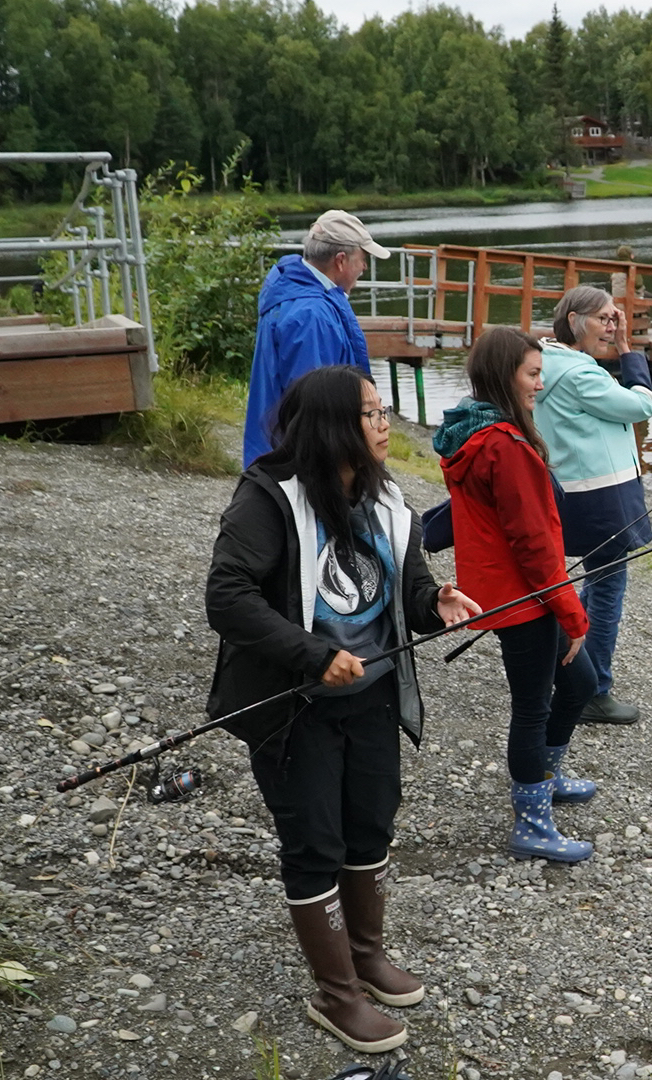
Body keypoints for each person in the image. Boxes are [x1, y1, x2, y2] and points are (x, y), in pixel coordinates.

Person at [205, 365, 481, 1053]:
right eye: (368, 412)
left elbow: (409, 591)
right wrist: (309, 654)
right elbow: (228, 597)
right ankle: (337, 996)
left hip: (372, 700)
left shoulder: (389, 504)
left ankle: (365, 955)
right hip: (294, 706)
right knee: (314, 844)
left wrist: (434, 604)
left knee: (370, 825)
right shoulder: (269, 498)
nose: (384, 422)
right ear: (331, 425)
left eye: (383, 409)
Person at [433, 326, 602, 862]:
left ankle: (545, 777)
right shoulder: (505, 446)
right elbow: (533, 546)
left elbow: (463, 519)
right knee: (532, 707)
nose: (539, 384)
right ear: (506, 376)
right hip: (523, 599)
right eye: (532, 374)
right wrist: (573, 615)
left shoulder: (472, 430)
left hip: (516, 594)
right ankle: (531, 823)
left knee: (581, 682)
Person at [535, 286, 652, 724]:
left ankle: (570, 673)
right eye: (602, 319)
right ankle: (593, 689)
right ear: (572, 320)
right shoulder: (581, 375)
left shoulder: (542, 363)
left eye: (613, 319)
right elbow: (641, 406)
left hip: (573, 492)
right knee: (606, 590)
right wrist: (628, 350)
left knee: (588, 588)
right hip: (601, 499)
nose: (610, 327)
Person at [242, 210, 392, 466]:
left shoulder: (291, 291)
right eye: (363, 258)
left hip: (274, 448)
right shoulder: (312, 315)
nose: (364, 267)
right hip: (304, 465)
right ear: (341, 261)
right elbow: (317, 408)